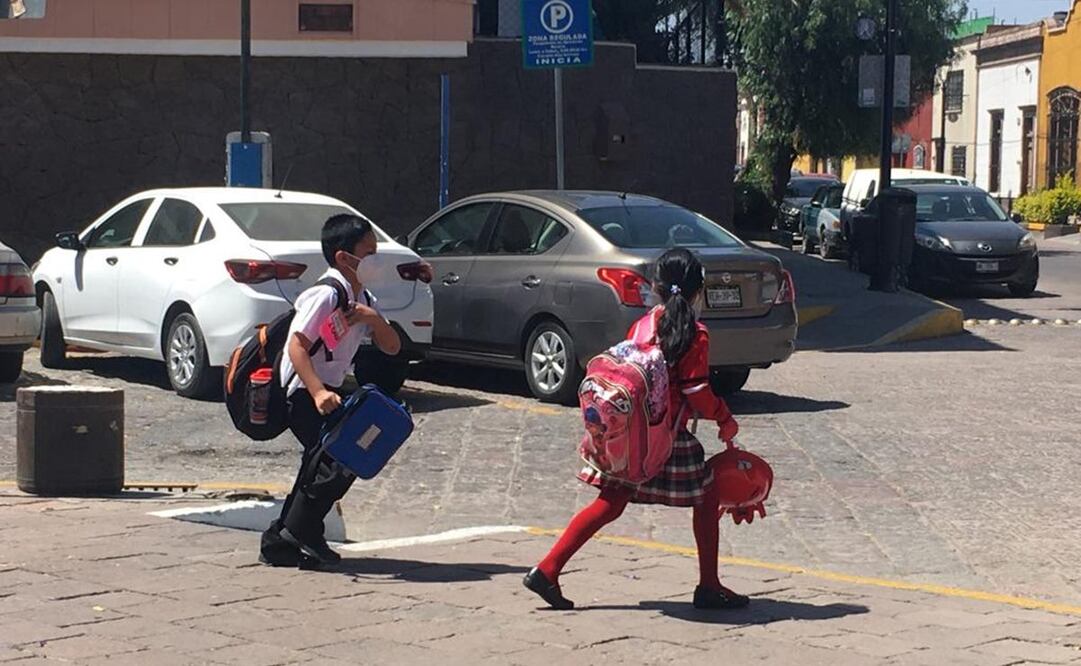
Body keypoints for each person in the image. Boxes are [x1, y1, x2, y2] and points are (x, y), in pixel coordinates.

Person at [523, 248, 747, 610]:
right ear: (697, 291)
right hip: (668, 436)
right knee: (706, 497)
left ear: (656, 288)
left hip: (632, 432)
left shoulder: (643, 324)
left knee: (611, 501)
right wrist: (724, 417)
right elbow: (697, 391)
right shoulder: (696, 333)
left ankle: (548, 569)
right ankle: (709, 585)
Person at [260, 213, 401, 567]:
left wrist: (374, 319)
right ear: (344, 257)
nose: (376, 260)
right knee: (334, 462)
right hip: (304, 390)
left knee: (324, 463)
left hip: (332, 389)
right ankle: (300, 532)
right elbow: (297, 346)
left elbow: (392, 347)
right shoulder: (325, 294)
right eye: (369, 253)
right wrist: (318, 392)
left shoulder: (362, 296)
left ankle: (284, 539)